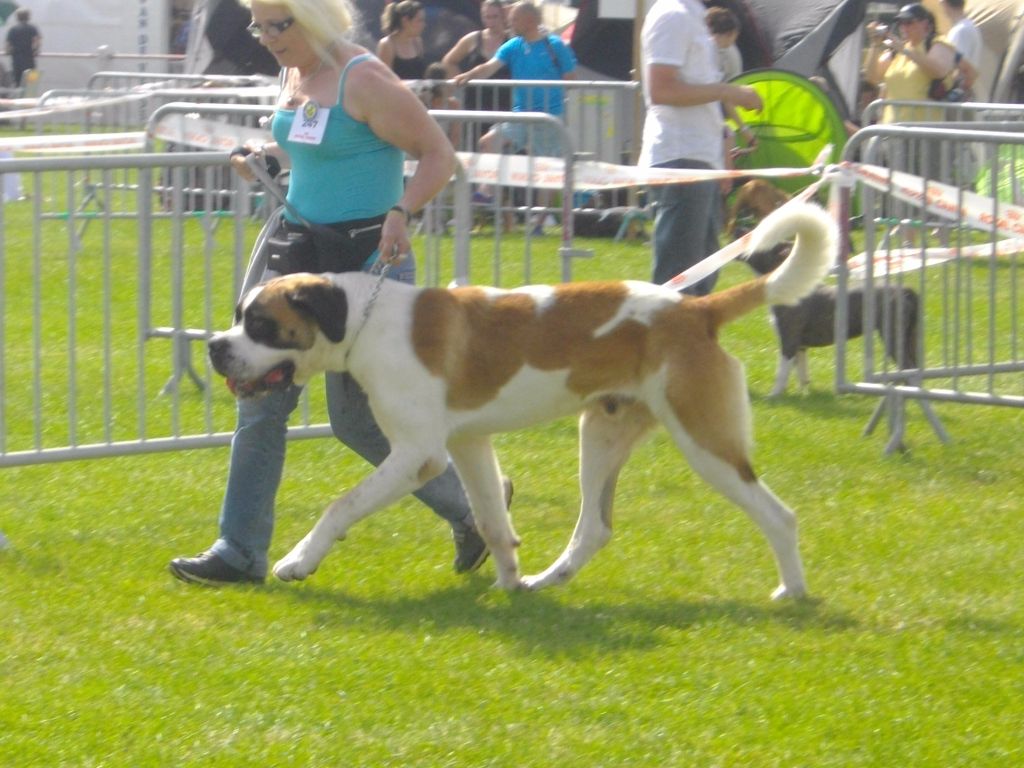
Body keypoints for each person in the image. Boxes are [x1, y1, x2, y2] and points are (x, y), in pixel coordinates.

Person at [169, 0, 496, 586]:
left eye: (278, 24)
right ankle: (238, 551)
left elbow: (438, 155)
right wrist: (265, 158)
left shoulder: (366, 78)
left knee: (356, 421)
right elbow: (312, 146)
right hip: (298, 255)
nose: (266, 37)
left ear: (313, 20)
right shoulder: (293, 72)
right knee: (260, 401)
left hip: (370, 264)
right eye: (258, 25)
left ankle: (473, 508)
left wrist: (402, 210)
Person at [638, 0, 762, 293]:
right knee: (678, 285)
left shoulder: (693, 16)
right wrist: (727, 90)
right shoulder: (673, 15)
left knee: (702, 280)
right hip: (681, 161)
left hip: (699, 161)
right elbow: (661, 89)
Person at [454, 1, 578, 234]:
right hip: (520, 113)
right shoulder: (512, 45)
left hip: (549, 117)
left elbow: (570, 75)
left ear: (530, 20)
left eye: (515, 19)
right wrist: (468, 75)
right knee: (488, 142)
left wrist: (557, 93)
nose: (510, 23)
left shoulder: (555, 45)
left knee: (546, 169)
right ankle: (486, 190)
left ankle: (540, 221)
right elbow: (490, 67)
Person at [864, 3, 957, 124]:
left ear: (925, 23)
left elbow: (939, 71)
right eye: (901, 23)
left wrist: (905, 50)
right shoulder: (896, 51)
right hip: (892, 129)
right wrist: (875, 45)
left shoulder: (937, 43)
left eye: (909, 22)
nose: (904, 27)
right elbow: (871, 78)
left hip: (924, 130)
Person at [441, 0, 511, 120]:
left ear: (503, 16)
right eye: (487, 17)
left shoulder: (512, 40)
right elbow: (448, 61)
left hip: (504, 104)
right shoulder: (473, 39)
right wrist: (461, 82)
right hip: (475, 102)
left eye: (495, 17)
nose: (491, 22)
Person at [377, 0, 427, 80]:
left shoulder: (417, 42)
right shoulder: (387, 45)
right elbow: (384, 79)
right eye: (419, 21)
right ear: (405, 21)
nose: (423, 25)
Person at [940, 0, 982, 96]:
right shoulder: (968, 27)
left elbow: (958, 66)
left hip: (957, 93)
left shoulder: (961, 30)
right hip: (961, 92)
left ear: (944, 3)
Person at [5, 8, 40, 89]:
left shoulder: (13, 29)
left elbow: (8, 44)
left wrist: (8, 51)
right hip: (29, 59)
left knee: (17, 83)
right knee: (31, 84)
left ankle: (19, 99)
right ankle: (30, 98)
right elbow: (37, 40)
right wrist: (36, 50)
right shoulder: (32, 28)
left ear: (17, 17)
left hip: (16, 60)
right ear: (28, 17)